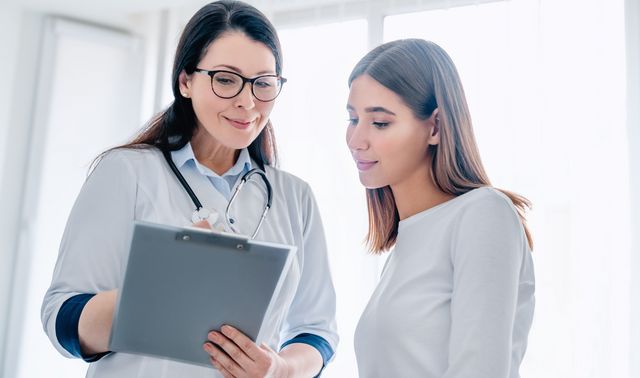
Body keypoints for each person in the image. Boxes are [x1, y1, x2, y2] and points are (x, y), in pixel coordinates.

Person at [41, 1, 338, 377]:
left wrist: (279, 369)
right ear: (185, 81)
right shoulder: (127, 172)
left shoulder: (296, 198)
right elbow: (62, 318)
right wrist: (157, 285)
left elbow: (318, 332)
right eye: (226, 79)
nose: (247, 102)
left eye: (263, 84)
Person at [346, 39, 535, 377]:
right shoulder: (406, 243)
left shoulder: (483, 214)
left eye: (379, 123)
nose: (356, 140)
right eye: (352, 118)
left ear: (434, 126)